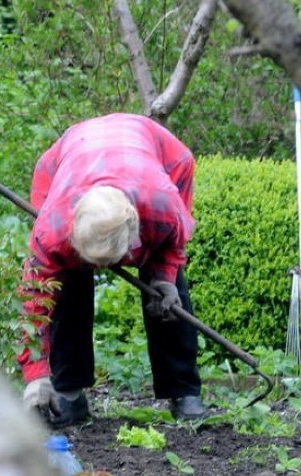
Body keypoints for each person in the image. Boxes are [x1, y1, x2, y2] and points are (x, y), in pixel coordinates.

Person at [18, 113, 207, 429]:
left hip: (147, 154)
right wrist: (36, 375)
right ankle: (68, 391)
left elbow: (174, 243)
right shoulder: (52, 229)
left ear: (136, 234)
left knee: (169, 299)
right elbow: (35, 303)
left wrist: (166, 275)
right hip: (71, 157)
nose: (101, 269)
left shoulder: (162, 207)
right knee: (64, 286)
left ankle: (183, 390)